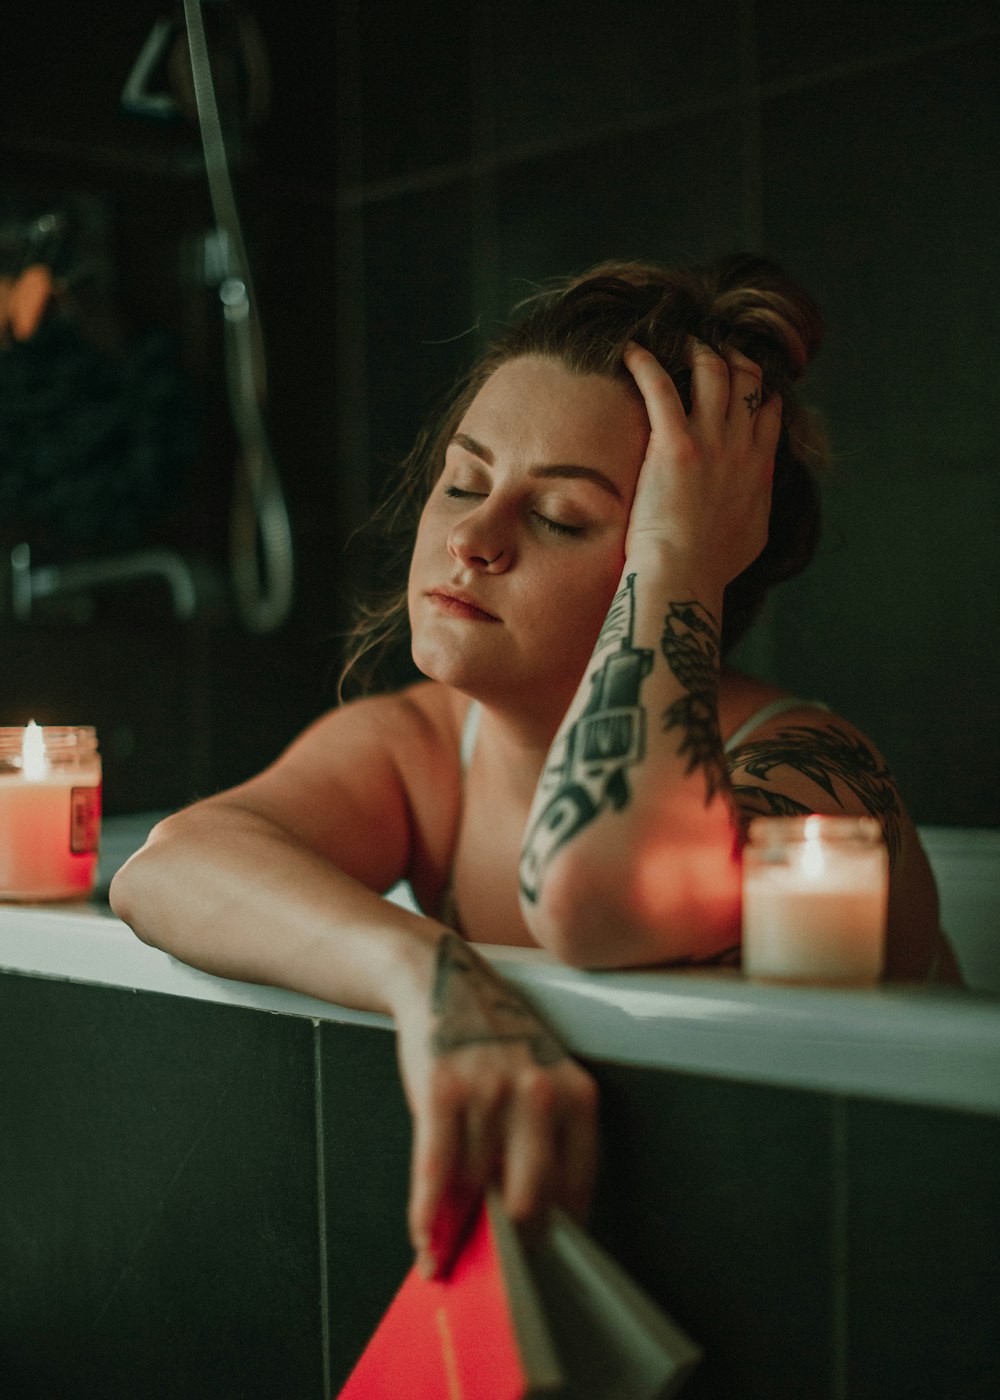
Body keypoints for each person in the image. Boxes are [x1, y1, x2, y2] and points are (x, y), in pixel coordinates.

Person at [110, 254, 961, 1280]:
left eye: (560, 516)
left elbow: (591, 894)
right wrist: (430, 980)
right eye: (463, 481)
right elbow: (169, 864)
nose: (472, 535)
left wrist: (679, 558)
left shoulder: (810, 771)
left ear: (683, 559)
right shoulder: (423, 745)